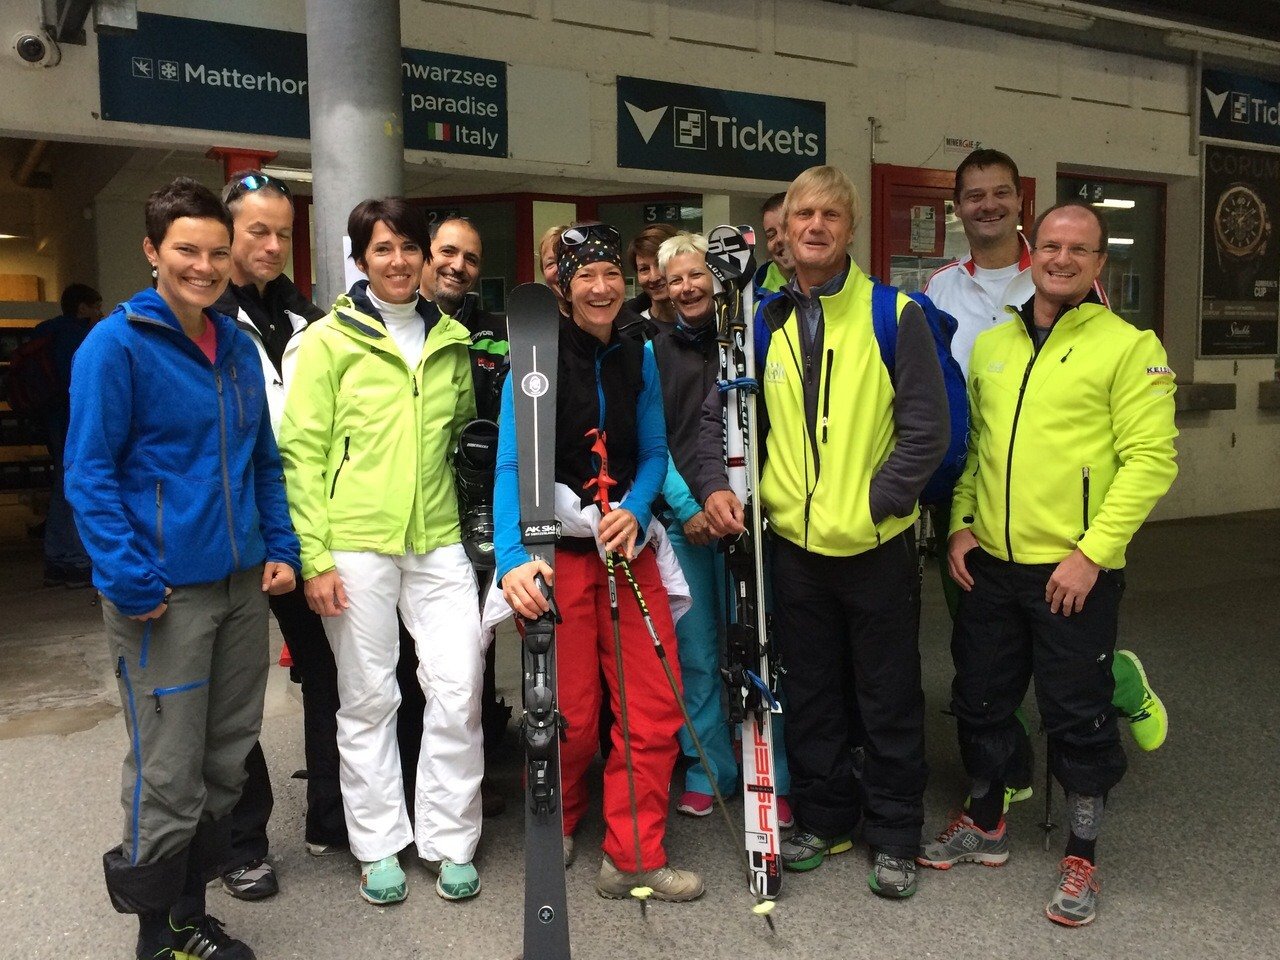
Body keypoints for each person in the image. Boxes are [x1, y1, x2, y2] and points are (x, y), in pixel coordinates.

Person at [917, 201, 1178, 928]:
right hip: (992, 565)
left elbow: (1151, 462)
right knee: (980, 698)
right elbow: (978, 450)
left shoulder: (1130, 347)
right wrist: (963, 524)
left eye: (1079, 250)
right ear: (1034, 253)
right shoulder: (996, 345)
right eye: (1052, 246)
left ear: (1100, 264)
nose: (1061, 259)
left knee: (1076, 713)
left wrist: (1091, 555)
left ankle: (1083, 851)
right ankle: (986, 818)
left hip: (1072, 571)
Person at [65, 176, 299, 960]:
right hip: (162, 595)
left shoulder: (234, 345)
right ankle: (157, 937)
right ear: (152, 252)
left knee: (225, 758)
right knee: (168, 770)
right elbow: (89, 473)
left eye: (216, 252)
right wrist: (130, 578)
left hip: (239, 588)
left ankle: (188, 915)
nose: (204, 265)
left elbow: (263, 460)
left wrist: (281, 547)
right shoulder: (116, 344)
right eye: (186, 251)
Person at [699, 166, 948, 900]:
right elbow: (755, 426)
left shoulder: (893, 313)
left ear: (849, 228)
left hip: (873, 544)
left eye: (829, 216)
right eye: (803, 214)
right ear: (787, 228)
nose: (814, 227)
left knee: (888, 693)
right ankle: (831, 817)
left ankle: (898, 832)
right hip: (794, 547)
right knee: (809, 690)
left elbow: (926, 430)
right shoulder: (767, 319)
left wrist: (878, 503)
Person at [923, 149, 1168, 754]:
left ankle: (1118, 681)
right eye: (975, 195)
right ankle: (1006, 762)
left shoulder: (1060, 272)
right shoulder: (940, 285)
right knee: (978, 633)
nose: (988, 204)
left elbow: (1105, 396)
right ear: (959, 208)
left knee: (1061, 637)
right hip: (965, 480)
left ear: (1020, 206)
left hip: (1052, 503)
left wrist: (1096, 544)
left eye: (1000, 193)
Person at [278, 198, 484, 905]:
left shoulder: (452, 341)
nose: (398, 261)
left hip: (437, 543)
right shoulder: (329, 341)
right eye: (383, 248)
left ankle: (449, 838)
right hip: (355, 543)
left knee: (458, 689)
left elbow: (462, 444)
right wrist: (315, 557)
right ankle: (377, 846)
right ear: (360, 258)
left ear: (426, 258)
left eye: (408, 248)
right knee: (369, 698)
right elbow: (300, 454)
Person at [495, 222, 703, 901]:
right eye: (587, 274)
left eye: (611, 272)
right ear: (563, 283)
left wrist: (638, 509)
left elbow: (652, 451)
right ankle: (559, 816)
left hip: (625, 550)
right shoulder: (534, 355)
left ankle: (635, 854)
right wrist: (510, 559)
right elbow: (509, 466)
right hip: (560, 557)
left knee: (651, 707)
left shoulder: (638, 353)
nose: (602, 285)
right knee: (572, 716)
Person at [212, 170, 334, 902]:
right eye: (257, 230)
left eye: (283, 232)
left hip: (301, 528)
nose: (271, 244)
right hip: (230, 535)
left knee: (329, 676)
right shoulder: (203, 320)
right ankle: (241, 842)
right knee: (232, 701)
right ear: (224, 232)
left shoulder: (308, 320)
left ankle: (332, 815)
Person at [650, 231, 793, 826]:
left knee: (764, 647)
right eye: (675, 278)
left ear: (720, 279)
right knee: (699, 653)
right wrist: (691, 506)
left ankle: (772, 773)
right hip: (687, 523)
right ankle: (708, 768)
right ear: (662, 287)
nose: (688, 286)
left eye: (698, 274)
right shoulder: (653, 351)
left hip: (758, 519)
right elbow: (649, 439)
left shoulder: (755, 342)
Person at [419, 214, 512, 818]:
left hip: (478, 513)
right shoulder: (405, 324)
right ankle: (409, 781)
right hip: (415, 518)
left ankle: (468, 783)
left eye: (470, 258)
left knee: (470, 660)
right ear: (424, 256)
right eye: (447, 253)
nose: (457, 266)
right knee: (409, 671)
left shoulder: (496, 330)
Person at [34, 282, 103, 588]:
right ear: (83, 307)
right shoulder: (74, 335)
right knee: (74, 483)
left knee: (65, 482)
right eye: (95, 305)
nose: (99, 311)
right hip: (69, 418)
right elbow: (80, 382)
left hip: (50, 417)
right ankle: (69, 557)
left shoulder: (46, 331)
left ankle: (59, 557)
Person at [623, 223, 679, 339]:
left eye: (659, 264)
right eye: (644, 269)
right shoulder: (629, 329)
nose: (654, 277)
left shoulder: (714, 320)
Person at [752, 192, 795, 295]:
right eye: (771, 235)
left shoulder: (837, 279)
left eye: (786, 228)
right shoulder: (755, 289)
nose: (779, 238)